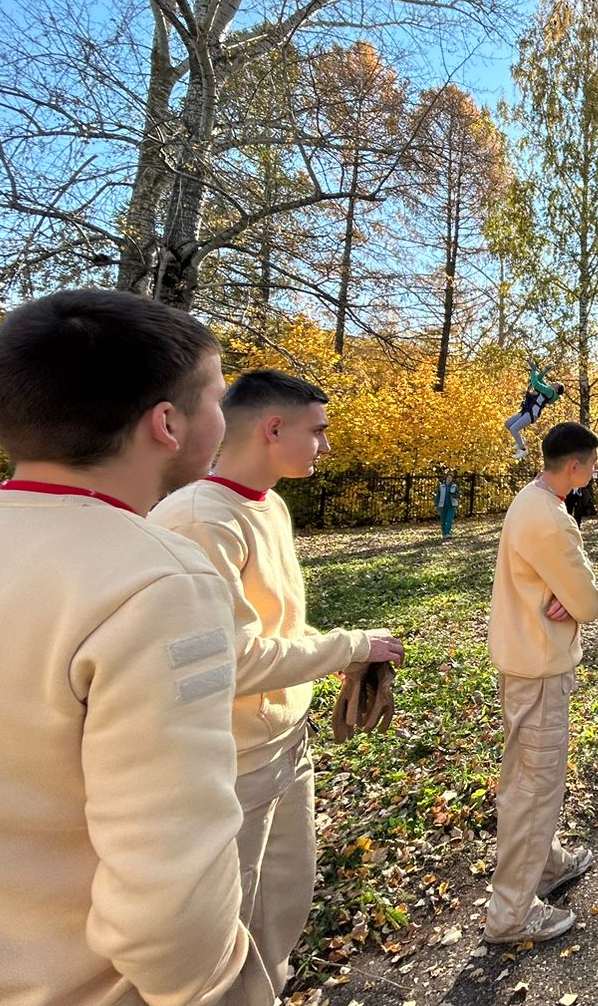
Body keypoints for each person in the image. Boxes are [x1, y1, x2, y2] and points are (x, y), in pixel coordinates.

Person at [0, 290, 274, 1006]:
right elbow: (170, 881)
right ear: (167, 423)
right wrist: (212, 985)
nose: (224, 419)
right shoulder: (158, 580)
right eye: (217, 399)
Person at [151, 370, 405, 990]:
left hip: (287, 742)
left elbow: (277, 625)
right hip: (227, 765)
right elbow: (228, 662)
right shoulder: (199, 520)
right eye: (317, 431)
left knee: (282, 903)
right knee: (226, 933)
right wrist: (350, 645)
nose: (325, 445)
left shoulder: (270, 504)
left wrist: (333, 657)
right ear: (273, 428)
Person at [484, 422, 598, 944]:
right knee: (534, 789)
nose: (595, 471)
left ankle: (548, 866)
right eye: (592, 464)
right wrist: (573, 602)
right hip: (539, 666)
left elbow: (564, 590)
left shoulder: (529, 500)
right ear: (574, 467)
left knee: (531, 778)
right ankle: (510, 914)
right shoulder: (552, 520)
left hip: (524, 659)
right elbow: (589, 601)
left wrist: (565, 597)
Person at [504, 361, 566, 458]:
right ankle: (521, 441)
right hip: (527, 410)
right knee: (508, 423)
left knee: (513, 429)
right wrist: (544, 371)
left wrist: (533, 370)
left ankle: (523, 449)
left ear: (557, 389)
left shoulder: (550, 391)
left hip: (532, 413)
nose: (553, 382)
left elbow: (536, 384)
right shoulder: (550, 391)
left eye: (556, 383)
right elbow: (539, 379)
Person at [436, 471, 460, 538]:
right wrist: (436, 504)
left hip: (451, 505)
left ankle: (448, 533)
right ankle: (444, 533)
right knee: (443, 520)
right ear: (446, 478)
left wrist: (455, 495)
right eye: (448, 478)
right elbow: (438, 495)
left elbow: (458, 494)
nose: (449, 479)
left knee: (449, 519)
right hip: (443, 505)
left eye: (451, 478)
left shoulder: (454, 486)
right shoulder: (441, 486)